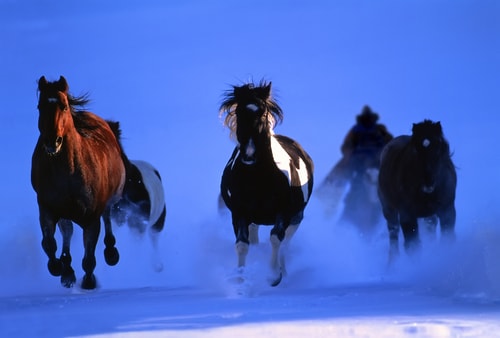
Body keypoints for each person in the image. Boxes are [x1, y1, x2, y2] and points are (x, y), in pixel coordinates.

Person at [325, 105, 393, 186]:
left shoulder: (379, 129)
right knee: (356, 179)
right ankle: (335, 184)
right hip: (358, 159)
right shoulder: (356, 129)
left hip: (375, 158)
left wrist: (384, 154)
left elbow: (389, 141)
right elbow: (347, 145)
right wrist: (348, 155)